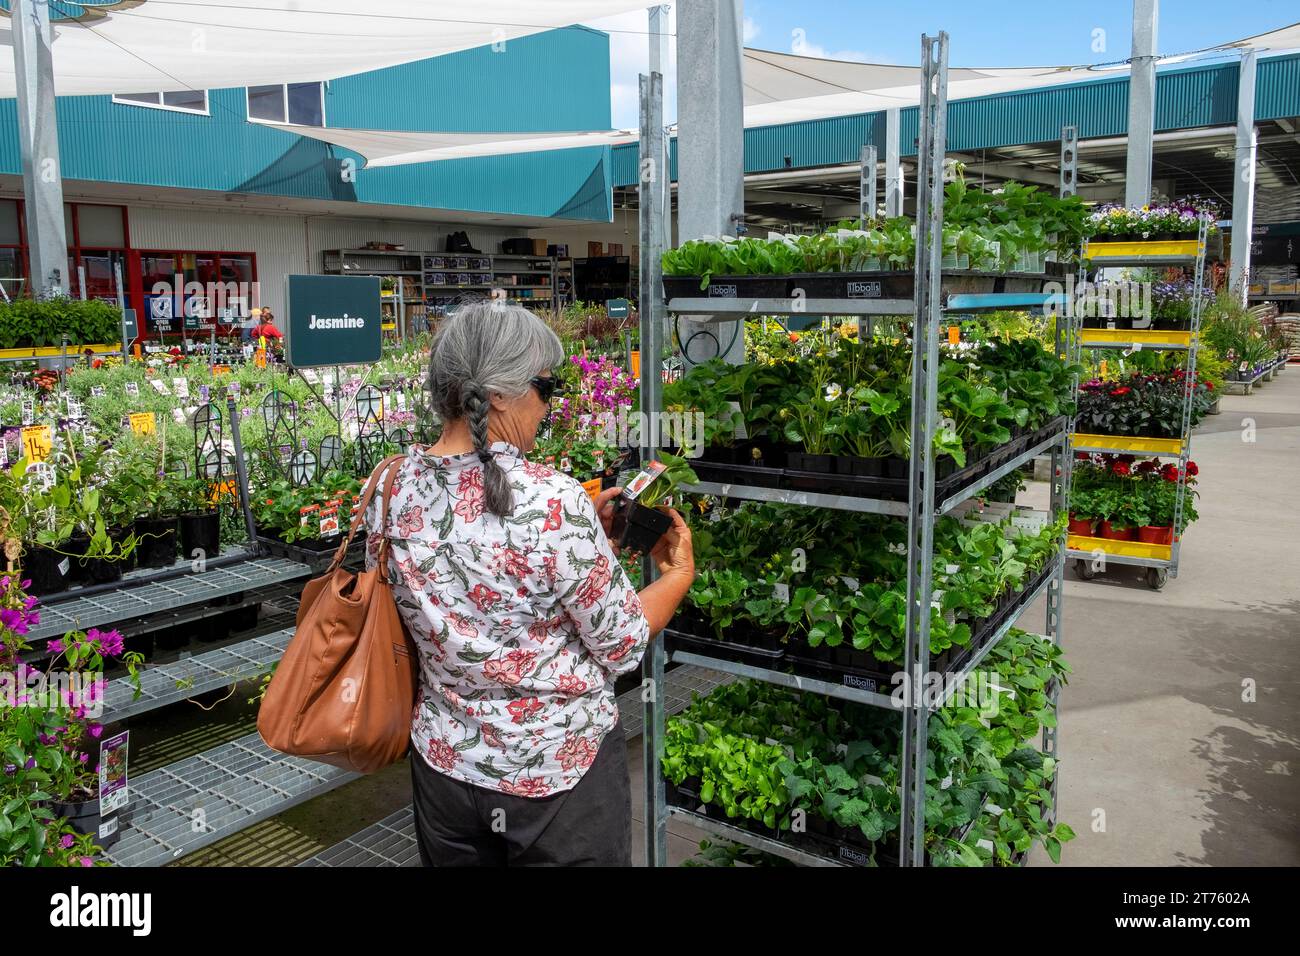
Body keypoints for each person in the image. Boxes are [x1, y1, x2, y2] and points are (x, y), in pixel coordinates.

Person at [362, 301, 695, 866]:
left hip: (445, 767)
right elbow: (622, 643)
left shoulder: (388, 486)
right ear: (497, 393)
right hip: (556, 776)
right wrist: (679, 572)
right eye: (547, 386)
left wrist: (585, 531)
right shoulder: (553, 501)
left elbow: (467, 559)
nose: (550, 404)